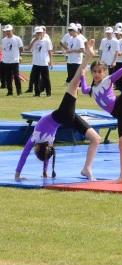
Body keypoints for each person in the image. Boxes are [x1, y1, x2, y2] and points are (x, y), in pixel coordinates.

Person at [15, 45, 100, 181]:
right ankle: (89, 55)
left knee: (96, 139)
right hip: (63, 114)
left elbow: (46, 154)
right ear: (37, 149)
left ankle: (87, 169)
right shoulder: (36, 137)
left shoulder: (49, 143)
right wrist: (17, 175)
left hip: (68, 119)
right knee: (74, 82)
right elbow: (24, 153)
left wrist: (45, 172)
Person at [81, 37, 122, 183]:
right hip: (120, 115)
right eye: (94, 72)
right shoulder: (92, 89)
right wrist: (82, 75)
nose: (97, 74)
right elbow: (83, 89)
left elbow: (120, 72)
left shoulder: (107, 81)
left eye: (100, 71)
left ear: (104, 72)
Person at [27, 26, 53, 97]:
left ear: (42, 33)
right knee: (36, 78)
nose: (38, 34)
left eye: (39, 33)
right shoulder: (33, 40)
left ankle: (48, 93)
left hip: (44, 62)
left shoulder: (47, 41)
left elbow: (50, 51)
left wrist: (51, 61)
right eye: (37, 33)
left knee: (46, 78)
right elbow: (29, 48)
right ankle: (37, 93)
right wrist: (34, 40)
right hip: (36, 62)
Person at [2, 24, 24, 96]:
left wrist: (18, 55)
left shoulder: (17, 39)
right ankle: (10, 92)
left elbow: (21, 48)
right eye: (6, 31)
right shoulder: (3, 40)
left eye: (9, 31)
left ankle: (19, 92)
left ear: (12, 30)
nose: (7, 32)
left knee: (16, 77)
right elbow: (4, 49)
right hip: (6, 61)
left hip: (14, 60)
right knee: (8, 77)